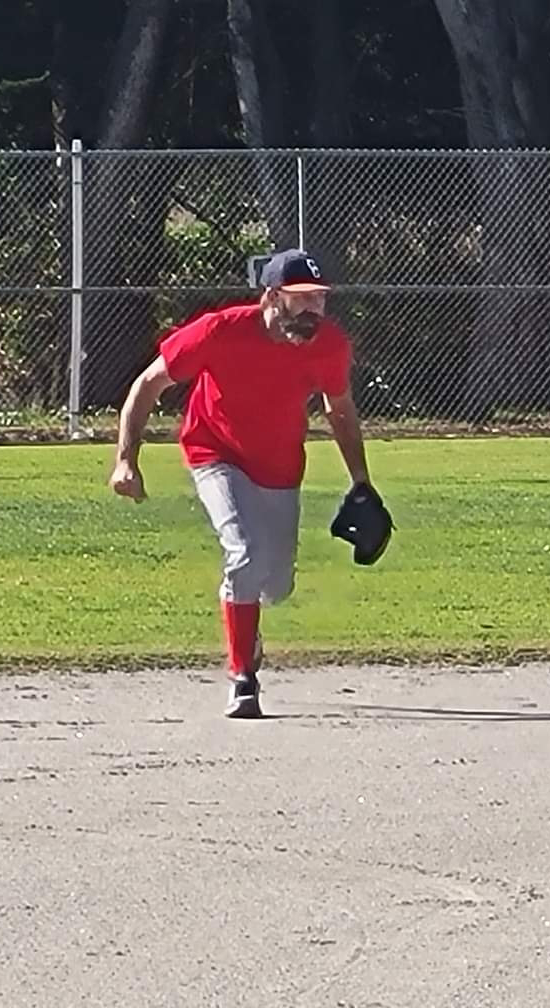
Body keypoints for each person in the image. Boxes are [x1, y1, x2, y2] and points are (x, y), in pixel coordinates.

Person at [108, 248, 379, 719]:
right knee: (245, 554)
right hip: (215, 452)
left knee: (275, 584)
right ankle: (243, 680)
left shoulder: (329, 344)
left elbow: (340, 411)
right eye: (302, 298)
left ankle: (247, 620)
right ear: (272, 297)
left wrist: (361, 480)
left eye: (319, 298)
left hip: (279, 465)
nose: (314, 308)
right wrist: (125, 460)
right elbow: (148, 384)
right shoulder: (220, 330)